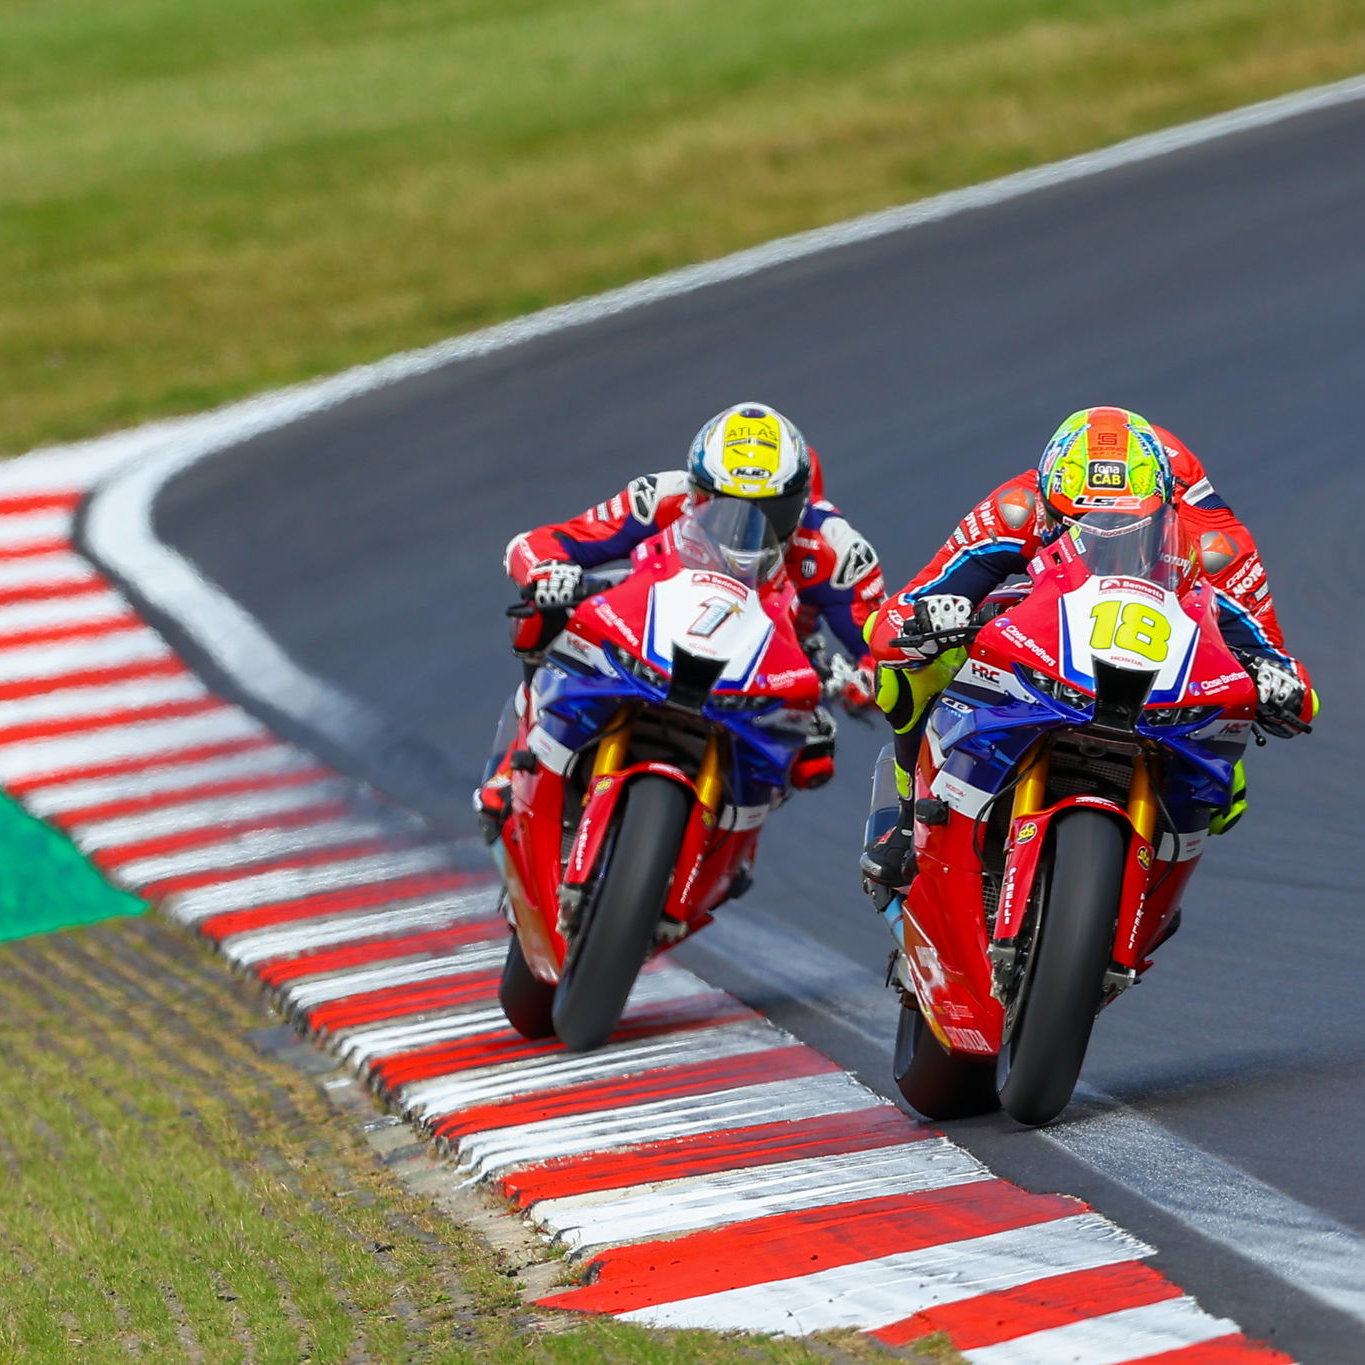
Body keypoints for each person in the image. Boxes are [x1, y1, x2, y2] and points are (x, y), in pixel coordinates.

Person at [860, 405, 1317, 885]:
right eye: (1076, 523)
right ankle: (911, 824)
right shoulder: (1019, 506)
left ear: (1166, 508)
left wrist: (1275, 682)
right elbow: (894, 621)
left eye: (1126, 526)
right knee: (906, 670)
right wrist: (928, 619)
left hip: (1160, 657)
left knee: (1227, 791)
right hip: (1044, 627)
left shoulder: (1213, 540)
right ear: (1050, 501)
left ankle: (1154, 885)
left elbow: (1282, 670)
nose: (1097, 535)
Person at [478, 401, 885, 825]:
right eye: (724, 505)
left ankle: (734, 843)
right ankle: (516, 761)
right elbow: (543, 541)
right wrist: (548, 572)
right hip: (652, 626)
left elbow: (883, 642)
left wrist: (864, 681)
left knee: (813, 756)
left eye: (770, 511)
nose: (745, 527)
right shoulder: (661, 496)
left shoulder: (835, 549)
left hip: (768, 665)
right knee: (547, 618)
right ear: (697, 493)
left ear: (800, 502)